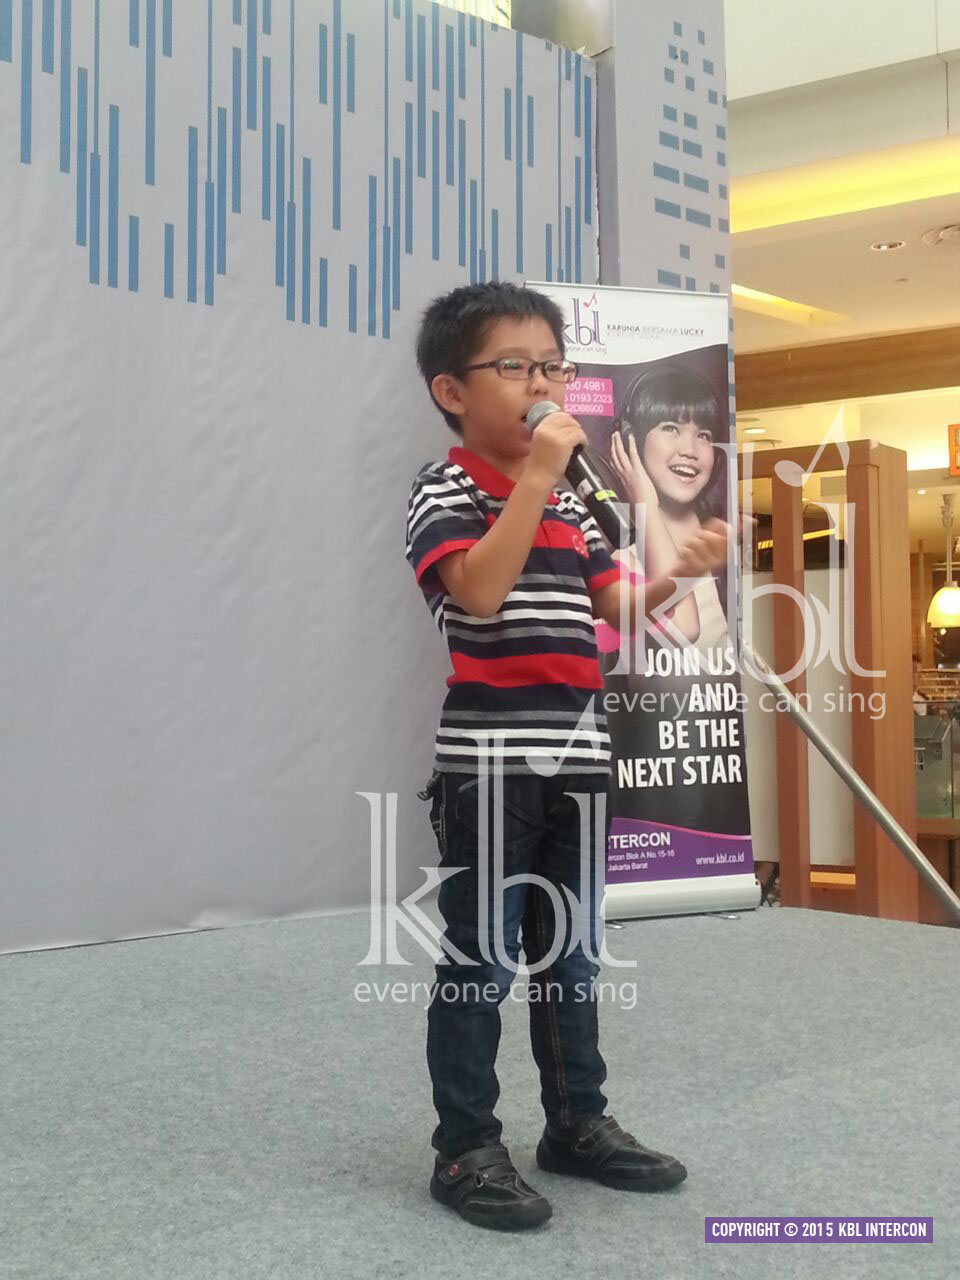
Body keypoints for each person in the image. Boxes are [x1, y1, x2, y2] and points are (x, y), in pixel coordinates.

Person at [405, 282, 729, 1231]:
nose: (542, 384)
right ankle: (465, 1148)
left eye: (552, 366)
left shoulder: (578, 506)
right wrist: (538, 479)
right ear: (452, 390)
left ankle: (577, 1124)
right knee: (481, 962)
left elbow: (614, 606)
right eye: (515, 366)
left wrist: (679, 575)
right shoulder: (445, 490)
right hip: (490, 767)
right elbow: (478, 595)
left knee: (574, 956)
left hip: (580, 758)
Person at [602, 365, 730, 657]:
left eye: (704, 435)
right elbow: (683, 630)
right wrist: (645, 502)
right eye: (671, 428)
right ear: (629, 441)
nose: (690, 450)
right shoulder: (623, 561)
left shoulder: (718, 542)